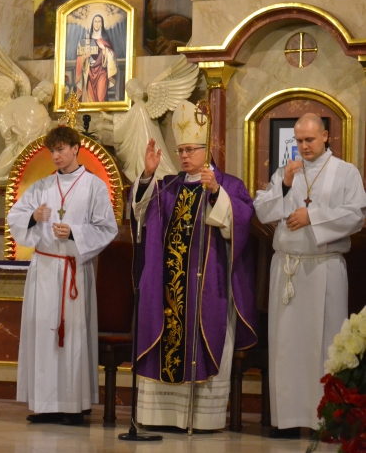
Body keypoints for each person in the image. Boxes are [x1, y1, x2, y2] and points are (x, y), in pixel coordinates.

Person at [133, 100, 257, 431]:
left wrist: (216, 193)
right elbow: (141, 215)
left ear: (206, 149)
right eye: (181, 150)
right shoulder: (168, 187)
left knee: (206, 338)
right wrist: (148, 175)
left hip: (210, 287)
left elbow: (241, 222)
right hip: (168, 289)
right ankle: (160, 417)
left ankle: (202, 419)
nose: (185, 156)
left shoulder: (229, 184)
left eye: (191, 150)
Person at [253, 113, 366, 438]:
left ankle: (326, 422)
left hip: (323, 268)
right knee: (286, 346)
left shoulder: (345, 172)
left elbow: (356, 215)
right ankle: (287, 420)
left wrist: (312, 216)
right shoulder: (285, 171)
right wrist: (285, 185)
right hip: (288, 269)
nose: (303, 146)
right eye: (299, 140)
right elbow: (263, 210)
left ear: (326, 136)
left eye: (310, 140)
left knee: (326, 344)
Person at [7, 126, 118, 426]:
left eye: (61, 149)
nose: (55, 156)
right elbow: (15, 217)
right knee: (44, 336)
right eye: (52, 151)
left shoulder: (94, 186)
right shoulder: (42, 186)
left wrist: (74, 232)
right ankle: (46, 406)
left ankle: (73, 406)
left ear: (75, 149)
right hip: (44, 270)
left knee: (71, 338)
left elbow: (107, 228)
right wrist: (33, 217)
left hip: (73, 270)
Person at [0, 80, 54, 190]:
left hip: (32, 147)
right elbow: (4, 115)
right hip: (19, 141)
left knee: (26, 166)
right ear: (39, 89)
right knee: (8, 164)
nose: (45, 96)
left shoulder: (43, 111)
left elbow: (47, 127)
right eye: (44, 92)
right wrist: (16, 131)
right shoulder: (23, 101)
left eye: (48, 95)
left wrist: (58, 124)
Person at [75, 14, 117, 103]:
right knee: (89, 98)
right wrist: (84, 57)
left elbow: (113, 55)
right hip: (89, 71)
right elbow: (79, 56)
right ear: (92, 23)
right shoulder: (87, 39)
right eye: (95, 21)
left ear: (102, 24)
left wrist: (103, 48)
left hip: (101, 71)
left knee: (101, 97)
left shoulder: (105, 40)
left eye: (99, 22)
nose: (97, 24)